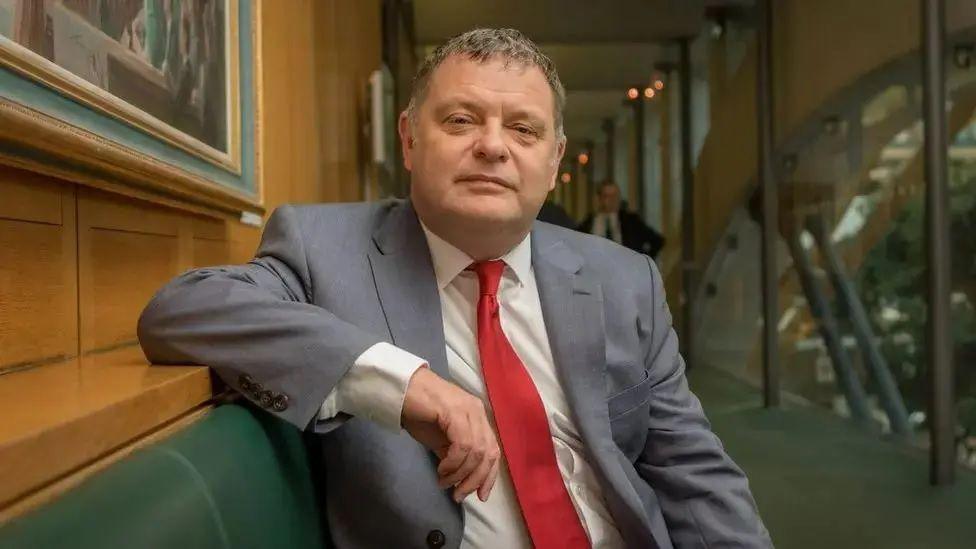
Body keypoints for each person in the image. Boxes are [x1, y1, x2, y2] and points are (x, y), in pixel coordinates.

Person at [138, 28, 769, 549]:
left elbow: (692, 471)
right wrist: (400, 381)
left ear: (553, 163)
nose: (493, 146)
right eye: (462, 119)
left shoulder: (622, 278)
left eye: (523, 130)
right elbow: (184, 310)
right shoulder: (324, 248)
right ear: (410, 140)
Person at [579, 181, 666, 259]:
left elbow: (658, 241)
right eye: (607, 196)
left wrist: (644, 262)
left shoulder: (631, 221)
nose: (611, 200)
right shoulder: (589, 222)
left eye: (614, 196)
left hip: (626, 270)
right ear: (599, 199)